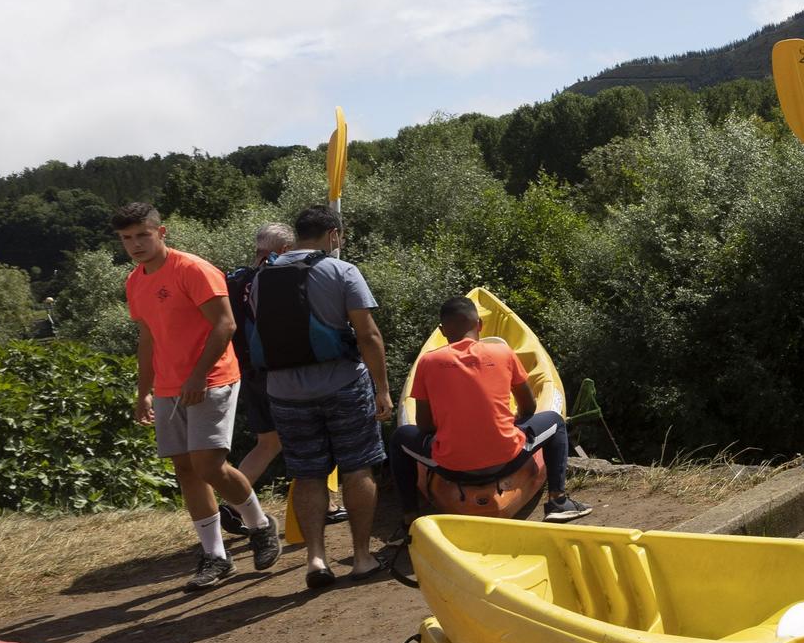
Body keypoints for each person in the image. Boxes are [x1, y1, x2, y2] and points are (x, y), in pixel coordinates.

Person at [113, 202, 278, 590]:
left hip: (213, 378)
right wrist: (144, 393)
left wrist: (198, 375)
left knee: (208, 465)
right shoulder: (135, 281)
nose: (135, 244)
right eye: (126, 238)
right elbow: (148, 338)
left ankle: (259, 525)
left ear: (161, 231)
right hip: (169, 387)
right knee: (185, 470)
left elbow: (226, 324)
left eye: (142, 234)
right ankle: (215, 557)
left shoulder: (192, 269)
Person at [249, 204, 390, 588]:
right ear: (333, 236)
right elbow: (368, 335)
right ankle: (361, 558)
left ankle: (315, 559)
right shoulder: (342, 270)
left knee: (307, 473)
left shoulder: (261, 278)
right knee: (358, 467)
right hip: (342, 384)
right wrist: (382, 389)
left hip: (284, 393)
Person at [389, 296, 588, 525]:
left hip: (450, 467)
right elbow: (529, 407)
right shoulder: (503, 353)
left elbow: (423, 425)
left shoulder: (428, 362)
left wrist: (447, 430)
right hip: (507, 460)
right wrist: (512, 422)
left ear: (443, 331)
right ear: (480, 325)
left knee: (399, 439)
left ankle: (410, 518)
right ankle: (558, 501)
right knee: (555, 422)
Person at [219, 222, 348, 534]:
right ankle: (327, 505)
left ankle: (234, 505)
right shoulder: (278, 277)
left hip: (247, 370)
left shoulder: (233, 279)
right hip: (280, 371)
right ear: (285, 250)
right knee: (315, 434)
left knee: (268, 443)